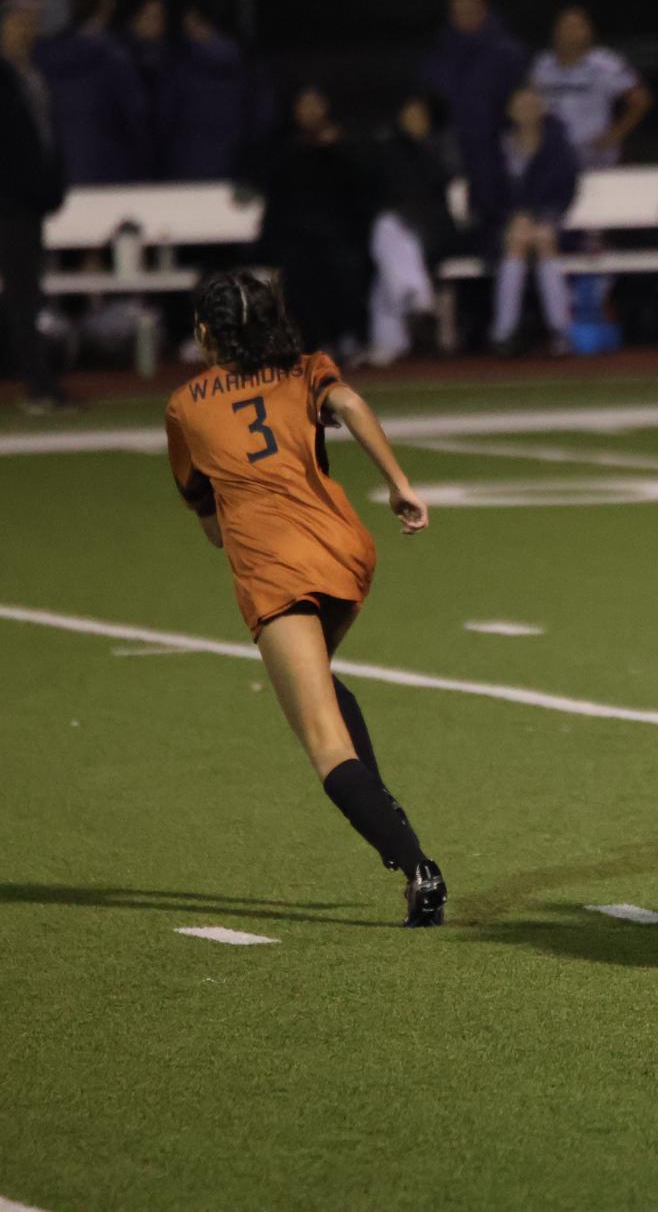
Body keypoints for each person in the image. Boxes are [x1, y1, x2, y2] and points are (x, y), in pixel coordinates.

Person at [164, 270, 445, 926]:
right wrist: (400, 482)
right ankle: (389, 823)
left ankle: (416, 867)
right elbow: (346, 405)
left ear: (207, 332)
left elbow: (207, 521)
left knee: (323, 742)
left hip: (276, 567)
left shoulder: (185, 404)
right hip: (344, 547)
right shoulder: (304, 368)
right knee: (319, 683)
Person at [0, 0, 70, 411]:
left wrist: (51, 184)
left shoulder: (31, 74)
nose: (25, 32)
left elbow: (46, 136)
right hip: (10, 201)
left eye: (30, 24)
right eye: (17, 25)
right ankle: (36, 384)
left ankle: (41, 381)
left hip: (31, 201)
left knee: (28, 293)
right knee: (21, 296)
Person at [253, 86, 378, 357]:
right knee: (299, 267)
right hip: (295, 235)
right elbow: (277, 202)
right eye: (304, 105)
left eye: (315, 105)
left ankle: (345, 337)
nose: (309, 112)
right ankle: (310, 342)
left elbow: (360, 196)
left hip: (337, 235)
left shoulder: (345, 149)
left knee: (343, 265)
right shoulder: (284, 148)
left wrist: (336, 149)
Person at [420, 0, 528, 238]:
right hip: (452, 154)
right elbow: (429, 107)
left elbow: (520, 106)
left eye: (472, 11)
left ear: (484, 12)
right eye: (459, 12)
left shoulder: (509, 54)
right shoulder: (439, 59)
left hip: (499, 155)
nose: (465, 17)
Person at [489, 85, 580, 356]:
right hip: (503, 225)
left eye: (532, 104)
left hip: (548, 222)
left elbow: (564, 189)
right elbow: (487, 190)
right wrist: (512, 216)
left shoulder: (557, 145)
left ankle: (560, 332)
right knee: (516, 240)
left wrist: (539, 216)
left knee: (543, 238)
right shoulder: (498, 145)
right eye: (521, 104)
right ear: (510, 110)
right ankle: (504, 333)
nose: (527, 110)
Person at [368, 94, 457, 365]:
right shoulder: (389, 151)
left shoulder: (439, 149)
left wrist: (410, 219)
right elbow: (381, 195)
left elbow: (435, 200)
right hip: (401, 232)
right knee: (391, 235)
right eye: (408, 115)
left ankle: (404, 321)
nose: (413, 121)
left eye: (419, 115)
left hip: (434, 232)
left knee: (389, 237)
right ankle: (418, 304)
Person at [34, 0, 146, 185]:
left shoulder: (47, 57)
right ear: (103, 10)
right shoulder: (115, 58)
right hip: (110, 166)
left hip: (62, 166)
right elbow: (135, 115)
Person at [529, 6, 649, 172]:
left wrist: (616, 133)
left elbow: (640, 100)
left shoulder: (606, 65)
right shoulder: (542, 65)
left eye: (576, 27)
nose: (570, 33)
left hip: (595, 157)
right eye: (565, 27)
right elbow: (527, 104)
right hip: (553, 156)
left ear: (588, 31)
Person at [160, 4, 255, 182]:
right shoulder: (241, 62)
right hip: (232, 161)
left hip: (187, 163)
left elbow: (165, 116)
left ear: (193, 22)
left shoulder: (180, 67)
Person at [124, 0, 170, 179]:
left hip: (162, 159)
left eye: (160, 17)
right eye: (151, 17)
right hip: (130, 159)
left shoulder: (171, 60)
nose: (157, 24)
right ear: (134, 20)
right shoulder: (119, 61)